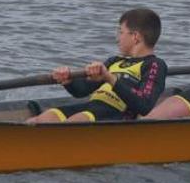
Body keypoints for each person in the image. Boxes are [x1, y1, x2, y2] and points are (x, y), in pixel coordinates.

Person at [28, 8, 167, 123]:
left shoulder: (155, 65)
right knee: (40, 120)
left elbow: (144, 105)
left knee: (76, 120)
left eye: (121, 32)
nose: (118, 38)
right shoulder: (114, 61)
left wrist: (110, 78)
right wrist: (68, 80)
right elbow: (82, 91)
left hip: (116, 115)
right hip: (91, 107)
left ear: (135, 36)